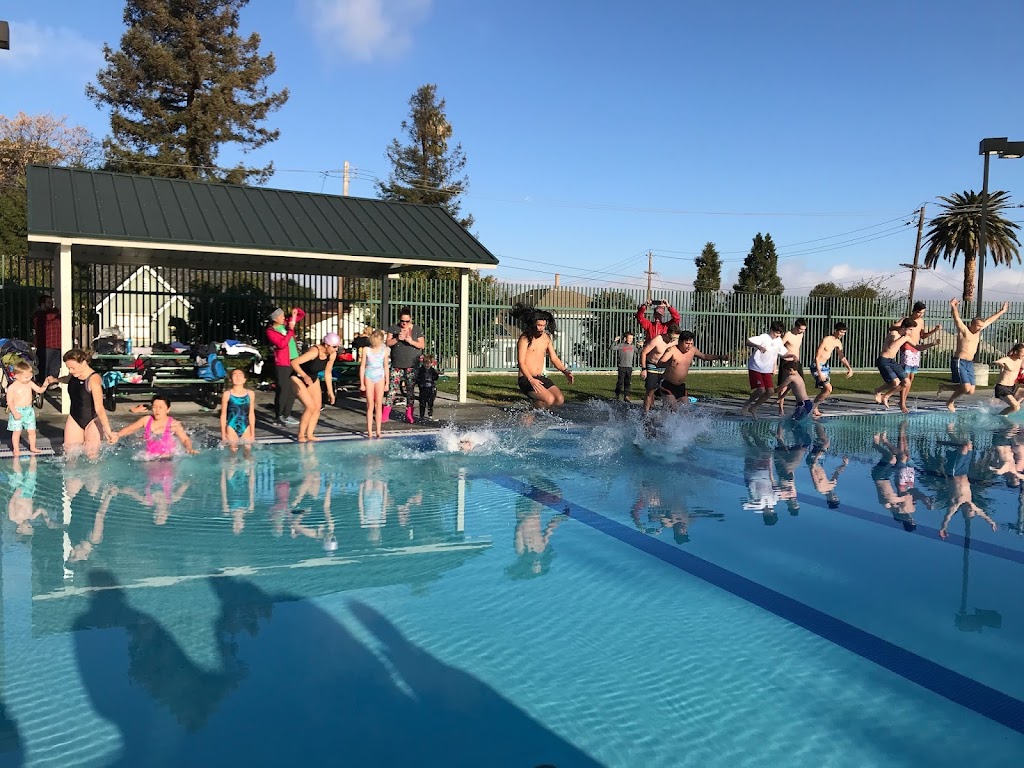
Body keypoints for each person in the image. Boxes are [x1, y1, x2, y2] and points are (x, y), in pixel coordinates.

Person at [937, 298, 1009, 412]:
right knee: (966, 387)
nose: (980, 328)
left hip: (969, 363)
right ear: (972, 324)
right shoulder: (964, 331)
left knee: (971, 390)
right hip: (959, 361)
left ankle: (944, 386)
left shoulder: (978, 331)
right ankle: (950, 402)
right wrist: (953, 307)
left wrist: (1002, 311)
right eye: (978, 326)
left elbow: (990, 320)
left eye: (981, 326)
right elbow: (957, 319)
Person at [511, 303, 574, 409]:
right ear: (533, 324)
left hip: (539, 377)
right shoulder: (525, 339)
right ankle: (528, 411)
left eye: (544, 325)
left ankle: (538, 410)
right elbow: (521, 362)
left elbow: (554, 358)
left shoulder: (546, 338)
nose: (541, 328)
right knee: (549, 399)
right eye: (539, 325)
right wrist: (531, 379)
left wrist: (565, 371)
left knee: (559, 400)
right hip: (526, 378)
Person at [61, 349, 115, 458]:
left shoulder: (93, 380)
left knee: (92, 456)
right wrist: (54, 380)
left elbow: (99, 408)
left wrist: (108, 431)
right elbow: (66, 379)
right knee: (70, 456)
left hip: (92, 421)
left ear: (83, 363)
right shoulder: (74, 374)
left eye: (73, 368)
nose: (70, 371)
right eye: (68, 368)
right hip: (74, 418)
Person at [656, 331, 728, 410]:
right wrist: (668, 364)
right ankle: (655, 416)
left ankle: (659, 415)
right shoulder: (672, 350)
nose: (689, 346)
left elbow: (704, 356)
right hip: (667, 384)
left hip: (680, 386)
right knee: (673, 407)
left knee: (686, 409)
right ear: (680, 342)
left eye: (691, 344)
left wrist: (720, 357)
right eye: (687, 343)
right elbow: (659, 363)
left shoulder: (692, 350)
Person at [111, 394, 198, 457]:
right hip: (148, 457)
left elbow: (185, 439)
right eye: (155, 407)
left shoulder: (173, 424)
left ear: (168, 410)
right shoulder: (146, 420)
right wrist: (118, 435)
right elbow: (130, 429)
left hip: (167, 457)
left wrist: (189, 448)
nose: (157, 410)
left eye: (160, 407)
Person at [290, 333, 338, 442]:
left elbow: (328, 373)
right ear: (326, 345)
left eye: (337, 347)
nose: (336, 349)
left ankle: (310, 434)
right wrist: (304, 376)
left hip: (312, 378)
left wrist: (330, 392)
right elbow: (294, 363)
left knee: (317, 408)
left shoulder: (332, 355)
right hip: (298, 377)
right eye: (334, 346)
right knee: (310, 407)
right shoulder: (314, 352)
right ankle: (301, 435)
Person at [740, 321, 793, 418]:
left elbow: (783, 354)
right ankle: (747, 404)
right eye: (776, 333)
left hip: (766, 369)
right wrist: (757, 346)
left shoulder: (778, 341)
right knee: (761, 390)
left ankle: (754, 407)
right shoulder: (764, 337)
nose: (778, 335)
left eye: (780, 333)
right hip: (755, 366)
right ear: (771, 330)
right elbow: (747, 341)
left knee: (770, 392)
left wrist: (792, 356)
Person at [896, 301, 943, 408]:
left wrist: (934, 330)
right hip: (907, 348)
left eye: (922, 313)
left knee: (911, 377)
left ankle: (903, 400)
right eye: (919, 312)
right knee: (906, 376)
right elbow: (895, 328)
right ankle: (902, 401)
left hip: (916, 349)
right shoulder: (907, 320)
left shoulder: (921, 321)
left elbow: (923, 336)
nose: (920, 315)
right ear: (914, 311)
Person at [5, 362, 56, 457]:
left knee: (32, 431)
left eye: (30, 377)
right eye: (26, 377)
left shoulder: (29, 383)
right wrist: (14, 412)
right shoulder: (12, 387)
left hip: (28, 411)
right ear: (16, 376)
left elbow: (39, 390)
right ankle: (16, 449)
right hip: (17, 410)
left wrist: (45, 385)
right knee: (17, 432)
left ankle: (33, 447)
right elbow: (10, 402)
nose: (28, 379)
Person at [386, 306, 425, 424]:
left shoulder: (417, 329)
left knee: (410, 390)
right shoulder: (393, 328)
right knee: (392, 389)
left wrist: (410, 341)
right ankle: (386, 413)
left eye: (407, 321)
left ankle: (409, 414)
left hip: (411, 365)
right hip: (397, 364)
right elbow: (387, 343)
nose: (404, 324)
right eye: (402, 321)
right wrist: (397, 338)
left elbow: (422, 345)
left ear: (411, 319)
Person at [266, 307, 303, 427]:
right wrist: (290, 330)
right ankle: (279, 416)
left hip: (293, 360)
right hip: (283, 363)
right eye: (281, 316)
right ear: (275, 319)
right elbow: (281, 344)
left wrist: (294, 313)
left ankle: (287, 414)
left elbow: (301, 315)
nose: (283, 317)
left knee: (292, 389)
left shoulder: (286, 324)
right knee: (283, 389)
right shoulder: (271, 331)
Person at [809, 323, 854, 417]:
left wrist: (849, 368)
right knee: (828, 389)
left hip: (825, 367)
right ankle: (813, 407)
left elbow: (842, 357)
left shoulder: (838, 342)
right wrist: (819, 372)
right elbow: (817, 357)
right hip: (817, 366)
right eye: (841, 332)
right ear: (835, 330)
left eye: (844, 332)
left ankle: (813, 406)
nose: (842, 334)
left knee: (825, 390)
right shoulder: (826, 340)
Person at [873, 318, 916, 412]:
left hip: (892, 361)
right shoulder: (894, 334)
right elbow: (891, 346)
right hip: (884, 360)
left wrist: (932, 344)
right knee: (895, 383)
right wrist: (903, 337)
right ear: (904, 328)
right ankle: (880, 392)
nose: (911, 332)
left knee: (906, 382)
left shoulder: (905, 337)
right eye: (910, 329)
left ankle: (885, 395)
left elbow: (918, 347)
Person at [639, 325, 679, 413]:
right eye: (672, 337)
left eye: (676, 338)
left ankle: (666, 412)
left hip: (665, 367)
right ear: (667, 334)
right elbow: (644, 352)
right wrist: (644, 369)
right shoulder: (657, 340)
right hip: (653, 365)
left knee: (666, 391)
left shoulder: (676, 341)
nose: (673, 340)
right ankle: (646, 412)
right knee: (650, 390)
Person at [359, 329, 390, 438]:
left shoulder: (384, 351)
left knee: (378, 404)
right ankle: (369, 431)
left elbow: (386, 367)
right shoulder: (366, 350)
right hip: (369, 376)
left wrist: (387, 382)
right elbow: (362, 366)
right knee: (370, 404)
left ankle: (378, 430)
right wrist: (362, 383)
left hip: (380, 377)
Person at [774, 318, 807, 415]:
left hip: (796, 362)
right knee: (783, 386)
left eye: (804, 329)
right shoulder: (788, 335)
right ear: (796, 327)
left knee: (799, 384)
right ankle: (781, 409)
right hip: (787, 362)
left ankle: (800, 406)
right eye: (801, 329)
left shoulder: (801, 334)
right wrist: (774, 364)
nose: (802, 331)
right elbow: (778, 348)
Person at [220, 368, 256, 451]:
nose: (237, 377)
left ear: (245, 379)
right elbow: (223, 415)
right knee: (233, 451)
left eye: (240, 375)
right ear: (230, 379)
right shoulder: (227, 394)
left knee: (248, 451)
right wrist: (223, 434)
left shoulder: (250, 394)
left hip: (246, 426)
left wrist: (252, 433)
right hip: (231, 426)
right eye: (235, 375)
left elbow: (251, 414)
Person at [32, 294, 61, 388]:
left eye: (52, 302)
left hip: (57, 344)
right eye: (48, 302)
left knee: (55, 367)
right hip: (45, 345)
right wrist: (57, 310)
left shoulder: (55, 314)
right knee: (43, 367)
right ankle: (41, 386)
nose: (51, 304)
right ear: (42, 304)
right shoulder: (39, 314)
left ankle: (52, 384)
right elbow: (48, 318)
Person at [992, 343, 1024, 415]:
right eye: (1022, 354)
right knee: (1015, 407)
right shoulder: (1006, 359)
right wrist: (997, 363)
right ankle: (999, 416)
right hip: (1002, 388)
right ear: (1016, 352)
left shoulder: (1020, 360)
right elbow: (996, 362)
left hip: (1012, 387)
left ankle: (1015, 404)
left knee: (1016, 406)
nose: (1023, 356)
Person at [611, 331, 637, 402]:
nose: (631, 340)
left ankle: (626, 396)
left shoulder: (632, 346)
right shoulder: (621, 345)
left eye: (632, 338)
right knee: (620, 382)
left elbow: (639, 351)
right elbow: (612, 348)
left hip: (629, 367)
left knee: (627, 382)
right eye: (629, 338)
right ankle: (617, 394)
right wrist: (614, 341)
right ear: (625, 338)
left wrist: (641, 346)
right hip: (622, 366)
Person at [415, 354, 441, 421]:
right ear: (423, 363)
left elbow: (435, 377)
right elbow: (417, 377)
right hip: (423, 388)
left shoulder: (432, 370)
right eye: (425, 363)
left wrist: (436, 375)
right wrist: (419, 382)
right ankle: (422, 415)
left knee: (430, 402)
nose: (427, 365)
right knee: (422, 402)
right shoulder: (421, 370)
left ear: (431, 363)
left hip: (430, 388)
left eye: (429, 363)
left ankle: (430, 414)